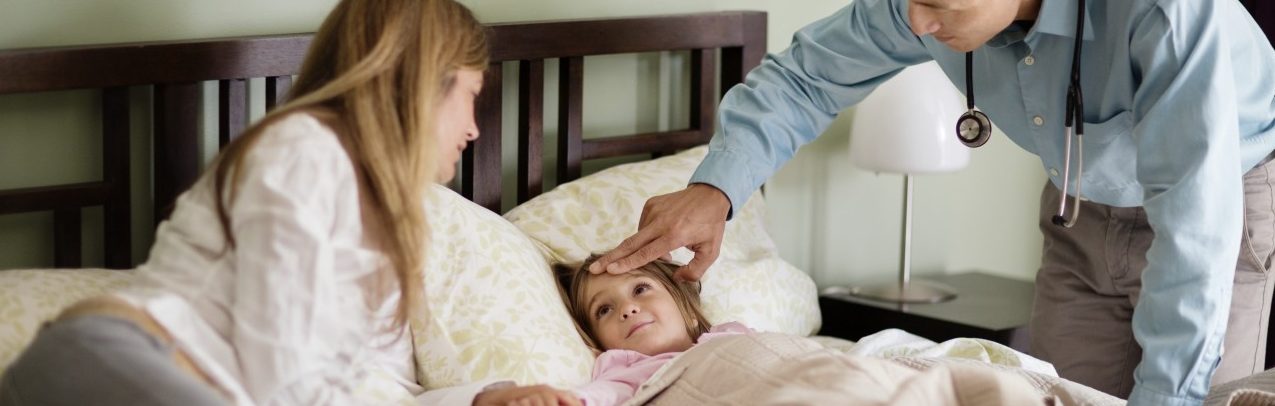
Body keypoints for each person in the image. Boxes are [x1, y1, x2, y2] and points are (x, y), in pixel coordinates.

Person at [588, 0, 1275, 405]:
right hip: (1075, 201)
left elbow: (1195, 227)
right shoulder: (918, 3)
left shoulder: (1166, 15)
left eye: (938, 5)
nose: (914, 22)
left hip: (1220, 205)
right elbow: (803, 79)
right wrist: (714, 188)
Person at [0, 0, 487, 404]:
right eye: (471, 93)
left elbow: (367, 388)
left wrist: (478, 397)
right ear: (423, 82)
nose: (474, 128)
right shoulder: (304, 152)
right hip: (115, 359)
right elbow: (276, 369)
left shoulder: (386, 221)